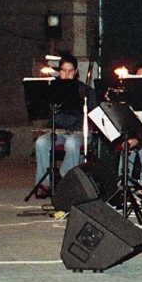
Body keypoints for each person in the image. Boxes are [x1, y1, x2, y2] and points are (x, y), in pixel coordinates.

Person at [33, 56, 90, 197]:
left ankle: (66, 179)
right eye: (64, 71)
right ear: (59, 71)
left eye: (70, 71)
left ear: (75, 72)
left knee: (71, 143)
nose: (67, 74)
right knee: (41, 142)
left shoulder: (84, 90)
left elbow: (92, 114)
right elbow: (44, 111)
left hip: (78, 132)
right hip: (58, 131)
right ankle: (44, 184)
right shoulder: (52, 89)